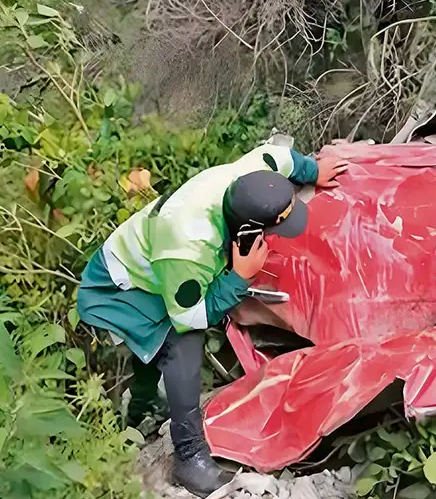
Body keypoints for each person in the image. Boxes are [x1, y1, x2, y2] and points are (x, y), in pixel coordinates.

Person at [76, 143, 347, 497]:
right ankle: (189, 457)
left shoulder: (253, 173)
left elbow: (279, 155)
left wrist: (313, 170)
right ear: (246, 230)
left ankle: (140, 406)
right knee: (180, 342)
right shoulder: (189, 246)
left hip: (158, 270)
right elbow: (190, 316)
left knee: (161, 340)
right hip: (118, 287)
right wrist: (238, 278)